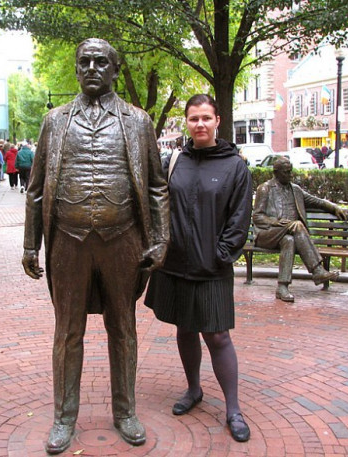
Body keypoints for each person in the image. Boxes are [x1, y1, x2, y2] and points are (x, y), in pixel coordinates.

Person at [22, 38, 169, 455]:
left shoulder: (138, 121)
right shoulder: (54, 120)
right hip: (68, 241)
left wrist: (160, 238)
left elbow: (157, 186)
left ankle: (126, 412)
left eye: (100, 62)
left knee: (122, 327)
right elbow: (35, 190)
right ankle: (63, 418)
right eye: (84, 61)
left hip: (122, 239)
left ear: (115, 69)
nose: (91, 68)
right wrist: (31, 244)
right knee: (67, 332)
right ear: (75, 68)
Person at [144, 94, 253, 443]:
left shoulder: (235, 166)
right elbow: (157, 203)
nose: (200, 124)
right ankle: (193, 390)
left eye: (206, 118)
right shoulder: (175, 160)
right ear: (187, 122)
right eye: (194, 119)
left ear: (217, 120)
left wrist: (220, 255)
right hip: (175, 263)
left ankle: (233, 409)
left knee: (217, 335)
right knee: (185, 328)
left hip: (211, 266)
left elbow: (239, 219)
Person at [252, 156, 348, 302]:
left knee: (289, 240)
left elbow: (317, 201)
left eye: (291, 172)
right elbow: (257, 216)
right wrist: (276, 222)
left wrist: (334, 207)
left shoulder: (295, 190)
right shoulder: (265, 189)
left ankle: (282, 287)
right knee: (296, 225)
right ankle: (317, 270)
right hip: (267, 234)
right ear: (276, 172)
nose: (290, 175)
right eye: (286, 172)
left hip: (289, 235)